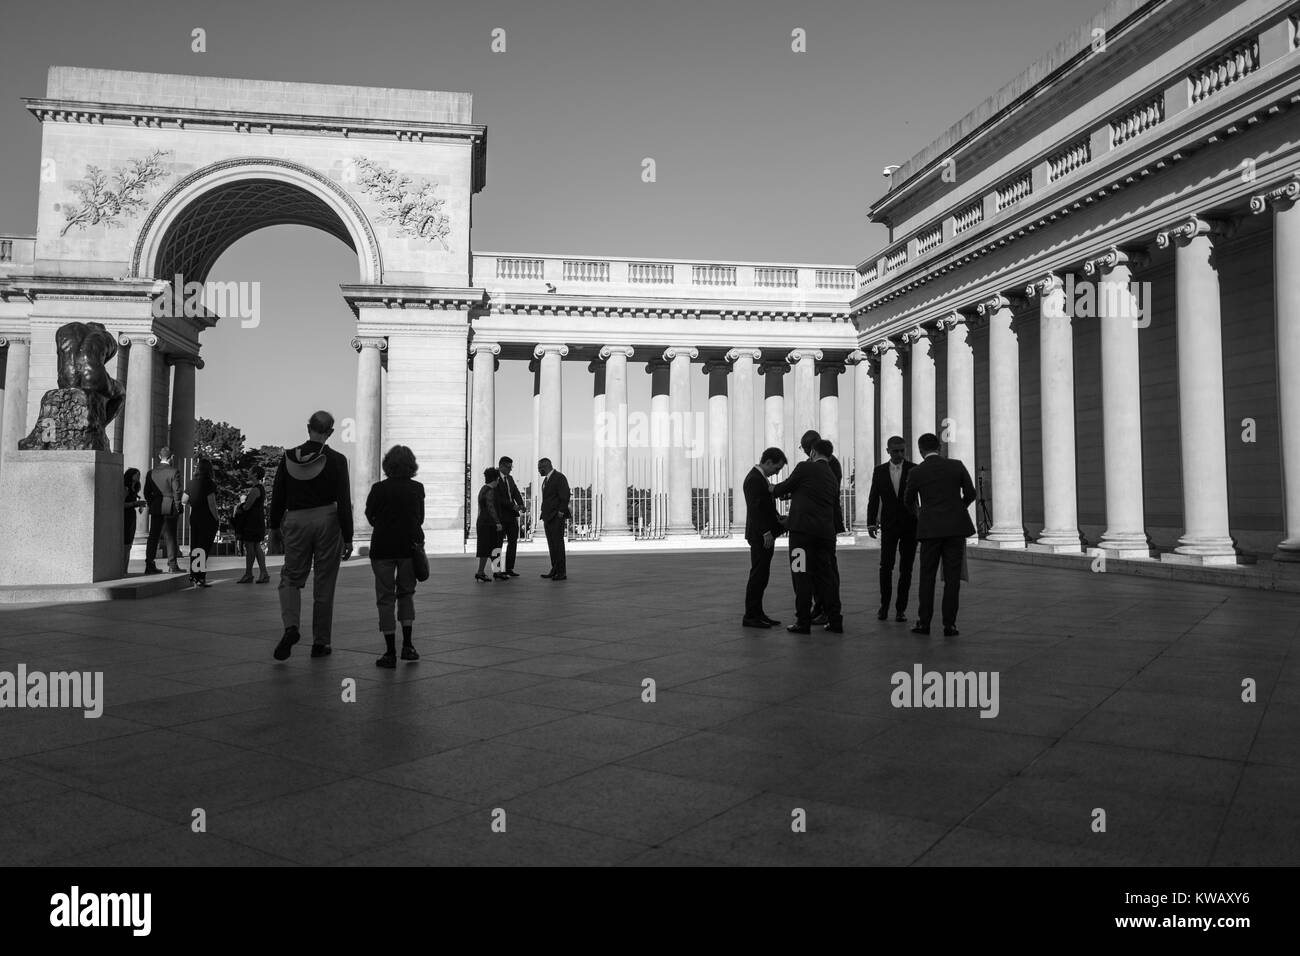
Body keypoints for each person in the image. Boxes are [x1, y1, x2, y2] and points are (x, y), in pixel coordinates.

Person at [269, 411, 354, 660]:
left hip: (296, 519)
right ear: (330, 433)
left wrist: (274, 526)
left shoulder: (288, 458)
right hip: (328, 519)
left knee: (290, 578)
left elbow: (278, 495)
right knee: (325, 582)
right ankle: (321, 643)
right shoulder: (338, 460)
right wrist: (348, 537)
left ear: (308, 428)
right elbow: (343, 500)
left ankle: (291, 626)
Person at [902, 432, 977, 637]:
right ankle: (949, 625)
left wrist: (921, 514)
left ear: (920, 449)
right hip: (955, 529)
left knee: (927, 577)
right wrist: (957, 509)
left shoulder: (917, 472)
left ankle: (924, 623)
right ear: (940, 448)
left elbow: (908, 500)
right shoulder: (956, 465)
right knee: (952, 578)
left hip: (930, 530)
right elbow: (971, 493)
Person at [773, 439, 843, 634]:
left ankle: (802, 621)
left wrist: (772, 489)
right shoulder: (832, 476)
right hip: (826, 535)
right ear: (829, 455)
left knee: (800, 574)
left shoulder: (804, 467)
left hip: (801, 535)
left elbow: (785, 486)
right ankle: (835, 620)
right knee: (826, 577)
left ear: (812, 452)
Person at [365, 445, 425, 667]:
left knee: (385, 598)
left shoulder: (378, 489)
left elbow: (370, 515)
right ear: (411, 464)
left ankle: (389, 652)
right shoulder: (417, 488)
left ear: (387, 464)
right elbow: (419, 518)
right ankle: (408, 646)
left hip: (382, 547)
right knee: (406, 594)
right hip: (408, 547)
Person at [866, 436, 918, 622]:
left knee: (907, 569)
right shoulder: (879, 471)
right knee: (886, 566)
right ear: (888, 451)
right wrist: (871, 522)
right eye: (895, 451)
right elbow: (874, 497)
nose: (899, 454)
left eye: (902, 450)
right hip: (888, 525)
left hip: (910, 525)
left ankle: (900, 609)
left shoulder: (914, 469)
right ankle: (884, 606)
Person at [798, 430, 844, 625]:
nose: (807, 453)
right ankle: (820, 606)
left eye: (808, 449)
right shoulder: (817, 464)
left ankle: (830, 609)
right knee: (816, 569)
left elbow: (819, 491)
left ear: (813, 448)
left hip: (823, 523)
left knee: (826, 569)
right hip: (817, 523)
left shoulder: (828, 464)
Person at [742, 447, 788, 628]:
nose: (776, 472)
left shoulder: (758, 478)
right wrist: (766, 532)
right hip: (760, 535)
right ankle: (751, 615)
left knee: (762, 575)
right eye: (776, 468)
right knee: (758, 575)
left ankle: (758, 613)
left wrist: (777, 518)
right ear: (768, 462)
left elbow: (764, 507)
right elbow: (755, 509)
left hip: (762, 533)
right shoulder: (754, 479)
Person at [143, 447, 182, 574]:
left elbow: (146, 492)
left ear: (160, 457)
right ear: (171, 458)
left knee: (153, 537)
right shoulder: (174, 472)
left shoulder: (151, 473)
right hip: (170, 506)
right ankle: (172, 565)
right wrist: (178, 506)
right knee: (170, 537)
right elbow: (177, 491)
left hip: (156, 507)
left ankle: (149, 564)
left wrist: (152, 503)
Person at [183, 458, 219, 588]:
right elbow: (212, 503)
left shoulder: (191, 483)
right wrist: (216, 518)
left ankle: (194, 575)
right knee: (203, 548)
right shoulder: (209, 483)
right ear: (209, 470)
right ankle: (200, 577)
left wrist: (195, 502)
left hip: (195, 517)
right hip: (207, 518)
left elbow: (184, 500)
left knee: (195, 546)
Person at [235, 464, 270, 584]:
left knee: (250, 547)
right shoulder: (259, 488)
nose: (248, 472)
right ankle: (263, 573)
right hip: (257, 521)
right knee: (256, 546)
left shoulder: (256, 489)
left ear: (255, 474)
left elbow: (247, 506)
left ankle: (249, 574)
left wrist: (240, 507)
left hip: (252, 522)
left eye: (250, 471)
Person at [538, 458, 571, 581]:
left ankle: (561, 572)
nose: (538, 471)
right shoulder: (547, 479)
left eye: (539, 468)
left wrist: (561, 512)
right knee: (552, 545)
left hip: (556, 516)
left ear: (545, 466)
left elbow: (565, 495)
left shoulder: (559, 477)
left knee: (558, 544)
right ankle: (555, 569)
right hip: (548, 516)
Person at [494, 456, 526, 580]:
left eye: (511, 467)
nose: (510, 470)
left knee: (513, 542)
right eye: (508, 467)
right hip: (500, 516)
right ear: (501, 466)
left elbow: (516, 492)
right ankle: (496, 570)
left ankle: (509, 568)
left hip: (511, 516)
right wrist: (513, 506)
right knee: (497, 544)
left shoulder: (510, 479)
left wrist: (521, 504)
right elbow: (499, 498)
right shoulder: (495, 478)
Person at [474, 467, 504, 583]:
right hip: (490, 524)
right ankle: (496, 572)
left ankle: (481, 572)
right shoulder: (491, 491)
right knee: (495, 548)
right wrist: (498, 522)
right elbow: (491, 508)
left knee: (484, 548)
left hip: (482, 522)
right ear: (495, 479)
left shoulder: (483, 489)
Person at [123, 468, 146, 573]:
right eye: (136, 475)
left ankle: (125, 569)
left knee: (130, 543)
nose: (138, 477)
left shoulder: (134, 488)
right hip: (125, 516)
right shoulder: (125, 488)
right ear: (131, 476)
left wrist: (139, 504)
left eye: (139, 475)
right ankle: (123, 569)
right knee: (126, 542)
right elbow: (121, 504)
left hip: (132, 515)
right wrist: (135, 504)